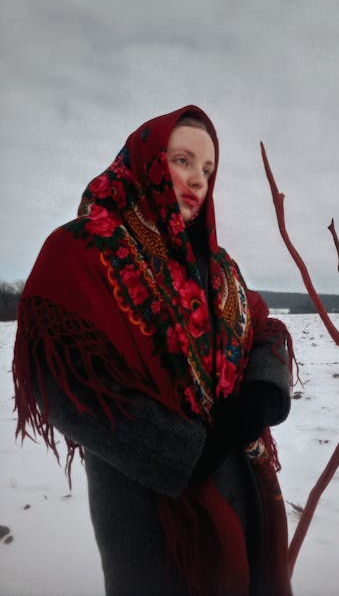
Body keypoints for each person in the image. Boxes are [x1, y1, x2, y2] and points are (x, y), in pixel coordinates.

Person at [12, 105, 294, 596]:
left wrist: (261, 395)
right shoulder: (84, 250)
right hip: (151, 514)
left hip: (242, 496)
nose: (198, 180)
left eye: (208, 169)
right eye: (182, 160)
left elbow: (266, 328)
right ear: (146, 159)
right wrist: (186, 453)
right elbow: (59, 380)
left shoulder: (219, 266)